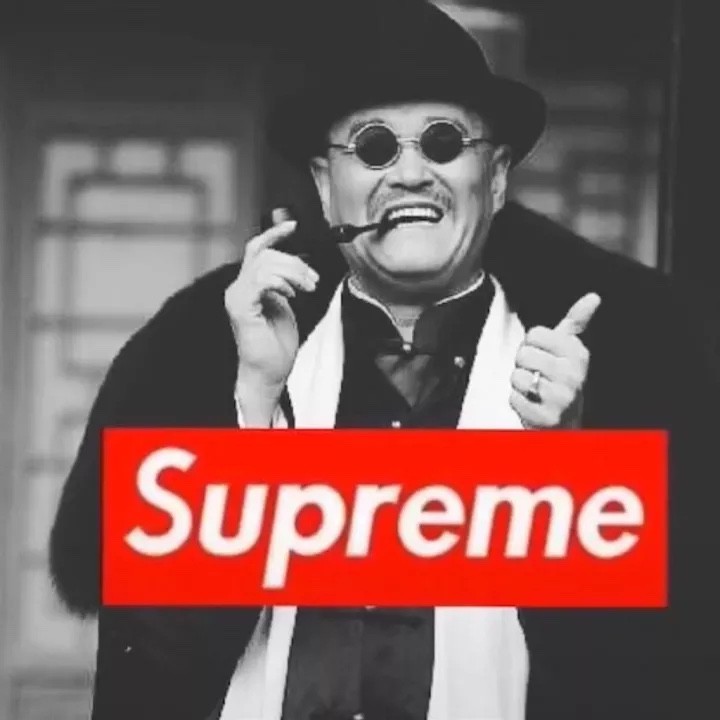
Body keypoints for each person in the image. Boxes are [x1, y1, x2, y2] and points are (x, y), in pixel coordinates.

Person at [49, 0, 718, 718]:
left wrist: (568, 475)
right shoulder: (202, 361)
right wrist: (250, 417)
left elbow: (646, 678)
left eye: (442, 142)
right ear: (323, 183)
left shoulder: (621, 368)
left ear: (495, 178)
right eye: (373, 147)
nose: (410, 175)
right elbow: (157, 667)